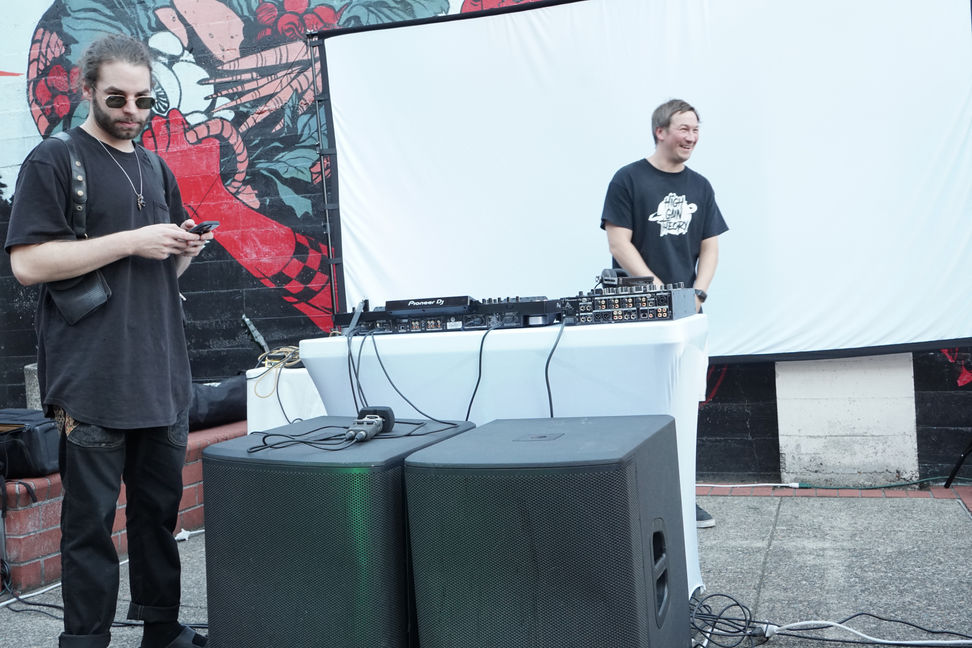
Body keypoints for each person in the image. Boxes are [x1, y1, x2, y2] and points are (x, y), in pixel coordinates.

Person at [5, 34, 211, 648]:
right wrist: (134, 240)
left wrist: (183, 248)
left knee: (158, 517)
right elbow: (28, 265)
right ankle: (86, 640)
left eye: (144, 100)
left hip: (161, 372)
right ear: (88, 88)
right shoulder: (55, 159)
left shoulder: (156, 167)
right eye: (117, 97)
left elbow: (158, 272)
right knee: (89, 526)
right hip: (92, 377)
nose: (132, 111)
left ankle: (162, 629)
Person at [600, 98, 728, 529]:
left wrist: (698, 294)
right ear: (660, 131)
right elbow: (618, 243)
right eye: (683, 129)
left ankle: (681, 498)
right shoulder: (629, 179)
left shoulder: (701, 186)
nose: (692, 137)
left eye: (696, 130)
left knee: (683, 403)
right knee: (638, 404)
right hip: (636, 311)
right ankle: (632, 500)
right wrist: (657, 291)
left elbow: (710, 247)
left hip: (686, 316)